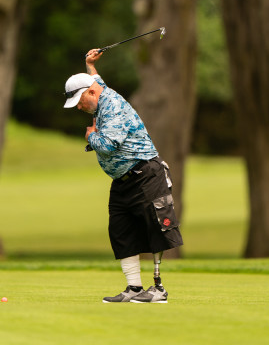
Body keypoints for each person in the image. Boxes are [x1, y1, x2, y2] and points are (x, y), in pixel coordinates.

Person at [63, 48, 183, 303]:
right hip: (123, 181)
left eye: (80, 101)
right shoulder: (99, 93)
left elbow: (108, 145)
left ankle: (158, 289)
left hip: (146, 173)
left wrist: (90, 137)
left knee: (155, 229)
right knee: (121, 231)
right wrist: (90, 65)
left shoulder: (113, 106)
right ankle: (134, 289)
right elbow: (98, 80)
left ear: (92, 92)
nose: (79, 107)